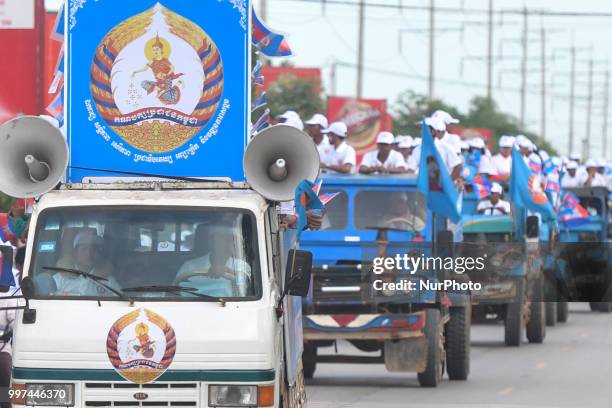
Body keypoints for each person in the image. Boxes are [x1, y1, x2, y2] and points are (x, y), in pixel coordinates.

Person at [175, 226, 252, 297]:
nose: (229, 243)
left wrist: (229, 271)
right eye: (223, 238)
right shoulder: (190, 266)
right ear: (211, 241)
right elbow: (176, 292)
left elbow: (245, 289)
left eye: (232, 239)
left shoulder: (242, 266)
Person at [53, 232, 120, 296]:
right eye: (84, 249)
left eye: (93, 250)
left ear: (98, 254)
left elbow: (121, 302)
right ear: (75, 253)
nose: (89, 254)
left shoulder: (108, 281)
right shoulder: (61, 279)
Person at [425, 116, 463, 181]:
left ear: (434, 131)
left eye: (426, 129)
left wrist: (448, 183)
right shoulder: (418, 148)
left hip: (441, 186)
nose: (423, 131)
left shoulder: (446, 147)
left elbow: (458, 166)